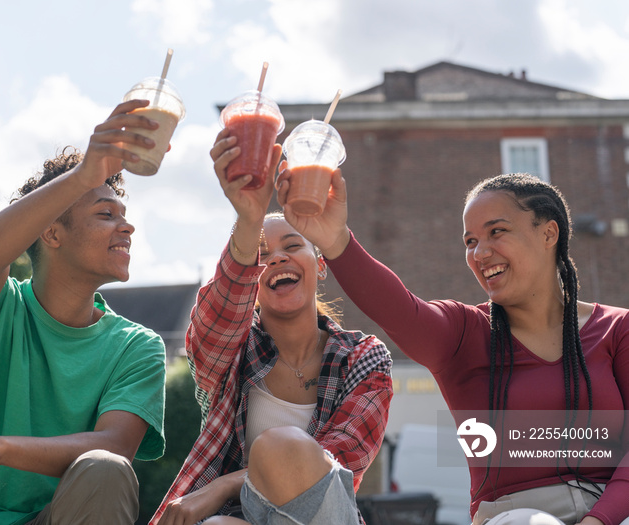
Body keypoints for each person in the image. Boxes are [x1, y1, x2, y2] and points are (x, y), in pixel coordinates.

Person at [275, 168, 629, 525]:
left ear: (548, 233)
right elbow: (400, 311)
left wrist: (598, 520)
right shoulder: (464, 333)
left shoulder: (618, 329)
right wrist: (337, 241)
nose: (481, 252)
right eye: (470, 241)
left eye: (496, 232)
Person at [0, 99, 167, 524]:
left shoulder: (137, 347)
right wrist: (82, 177)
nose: (126, 226)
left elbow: (114, 446)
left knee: (106, 470)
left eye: (124, 215)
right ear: (52, 233)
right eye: (105, 214)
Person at [149, 129, 393, 525]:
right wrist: (248, 220)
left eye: (292, 246)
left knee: (281, 446)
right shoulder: (235, 352)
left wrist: (225, 485)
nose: (275, 258)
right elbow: (212, 330)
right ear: (250, 282)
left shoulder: (364, 359)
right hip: (235, 518)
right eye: (261, 254)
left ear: (321, 264)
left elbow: (338, 462)